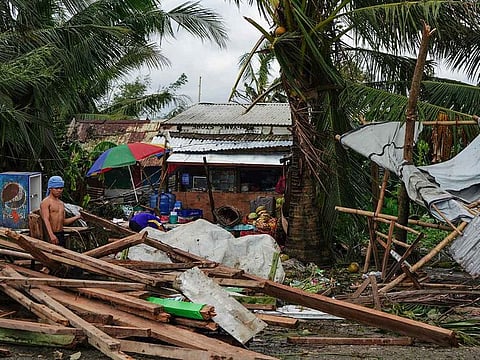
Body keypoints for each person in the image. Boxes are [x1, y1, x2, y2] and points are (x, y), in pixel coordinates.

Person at [40, 176, 81, 247]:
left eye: (61, 188)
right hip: (50, 234)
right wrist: (51, 235)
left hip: (60, 234)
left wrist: (77, 217)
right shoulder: (46, 202)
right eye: (56, 188)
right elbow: (45, 219)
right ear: (50, 188)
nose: (59, 190)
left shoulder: (61, 204)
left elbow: (63, 222)